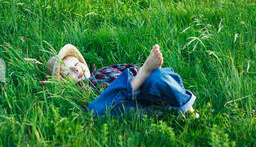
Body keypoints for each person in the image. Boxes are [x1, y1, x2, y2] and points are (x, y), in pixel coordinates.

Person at [45, 43, 197, 118]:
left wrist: (144, 74)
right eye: (68, 73)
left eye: (77, 64)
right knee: (94, 108)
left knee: (159, 77)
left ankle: (188, 111)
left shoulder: (104, 70)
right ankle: (155, 107)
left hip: (142, 89)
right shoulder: (82, 91)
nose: (76, 69)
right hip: (122, 103)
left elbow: (129, 69)